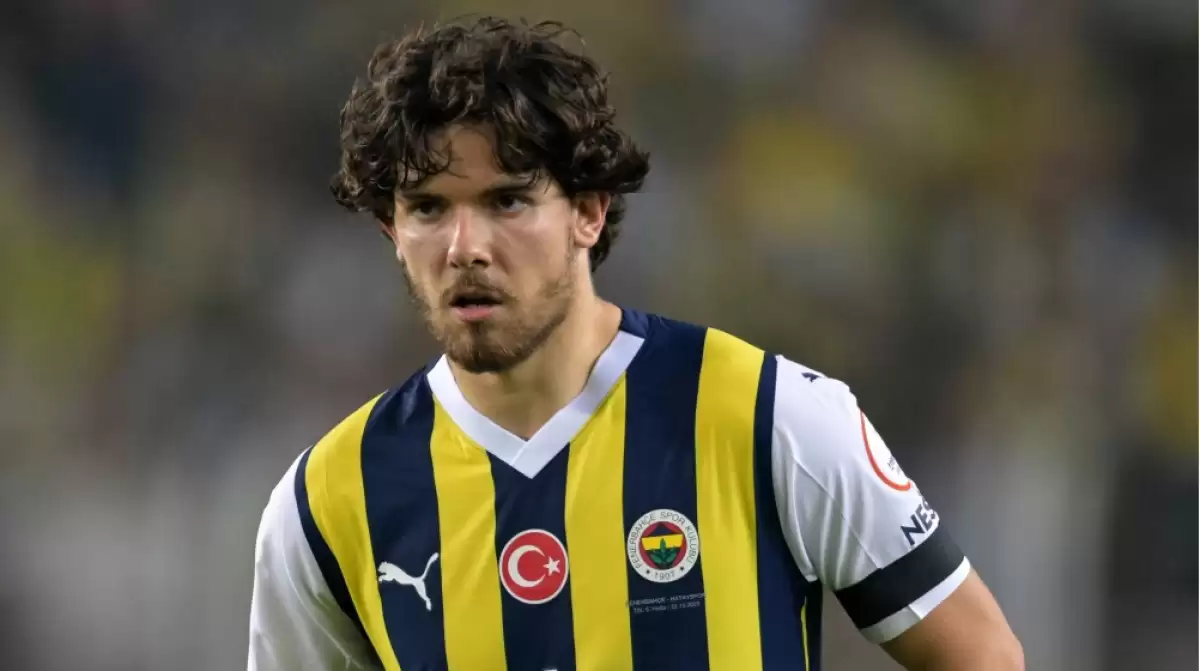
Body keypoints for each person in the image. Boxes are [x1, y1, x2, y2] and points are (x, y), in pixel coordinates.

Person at [247, 16, 1023, 671]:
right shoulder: (325, 502)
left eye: (507, 201)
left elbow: (982, 655)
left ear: (588, 211)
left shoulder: (769, 416)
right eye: (427, 208)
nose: (465, 247)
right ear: (391, 228)